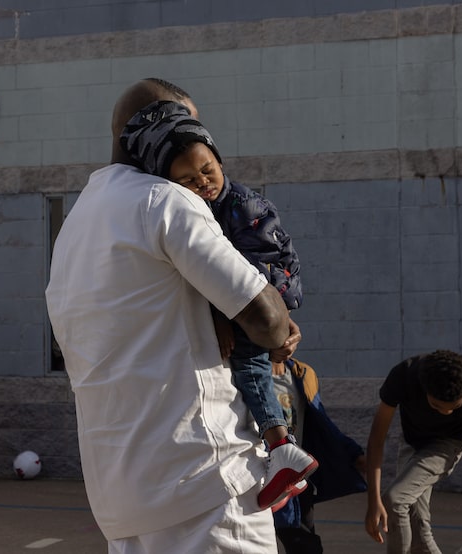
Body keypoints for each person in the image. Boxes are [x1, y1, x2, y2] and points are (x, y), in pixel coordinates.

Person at [45, 77, 302, 553]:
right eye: (188, 128)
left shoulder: (73, 229)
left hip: (121, 500)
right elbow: (269, 322)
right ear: (160, 130)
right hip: (205, 484)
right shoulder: (167, 201)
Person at [119, 100, 318, 511]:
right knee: (247, 377)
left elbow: (247, 276)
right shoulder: (196, 210)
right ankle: (275, 457)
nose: (203, 181)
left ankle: (281, 448)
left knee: (248, 367)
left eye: (208, 170)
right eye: (189, 179)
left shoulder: (243, 207)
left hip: (268, 297)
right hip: (252, 304)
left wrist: (232, 317)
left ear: (219, 160)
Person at [364, 349, 462, 553]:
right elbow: (377, 437)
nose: (446, 412)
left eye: (453, 408)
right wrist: (373, 500)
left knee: (395, 500)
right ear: (424, 389)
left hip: (447, 445)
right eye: (436, 406)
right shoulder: (404, 376)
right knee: (418, 529)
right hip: (412, 444)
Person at [271, 357, 368, 554]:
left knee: (304, 544)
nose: (289, 343)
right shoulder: (249, 373)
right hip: (262, 474)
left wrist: (352, 453)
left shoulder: (303, 374)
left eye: (293, 336)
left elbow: (322, 422)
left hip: (296, 477)